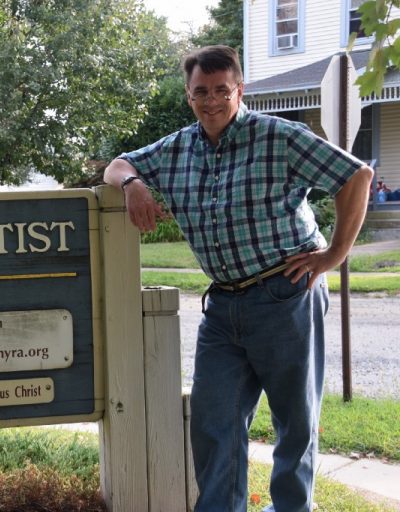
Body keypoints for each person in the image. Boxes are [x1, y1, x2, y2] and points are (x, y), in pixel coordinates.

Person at [104, 45, 373, 512]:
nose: (211, 101)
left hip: (286, 293)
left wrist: (333, 255)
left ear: (239, 90)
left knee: (295, 421)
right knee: (213, 422)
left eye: (221, 91)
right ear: (188, 95)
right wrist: (134, 185)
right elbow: (116, 165)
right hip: (223, 306)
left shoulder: (279, 136)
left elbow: (357, 177)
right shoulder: (177, 148)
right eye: (200, 92)